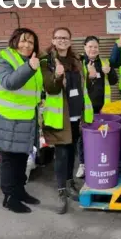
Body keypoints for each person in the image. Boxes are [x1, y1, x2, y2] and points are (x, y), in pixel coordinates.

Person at [0, 28, 43, 213]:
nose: (26, 45)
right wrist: (30, 67)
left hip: (25, 120)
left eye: (31, 42)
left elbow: (33, 90)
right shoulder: (4, 60)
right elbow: (9, 82)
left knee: (22, 158)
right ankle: (9, 197)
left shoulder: (32, 62)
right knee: (9, 160)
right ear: (15, 41)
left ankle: (20, 191)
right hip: (6, 121)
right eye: (23, 40)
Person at [40, 27, 94, 214]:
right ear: (53, 41)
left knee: (72, 152)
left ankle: (70, 184)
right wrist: (58, 75)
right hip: (59, 117)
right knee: (61, 154)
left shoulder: (77, 60)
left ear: (70, 41)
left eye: (65, 38)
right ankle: (61, 190)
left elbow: (82, 86)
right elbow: (50, 88)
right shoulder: (46, 61)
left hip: (75, 114)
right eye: (58, 38)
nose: (62, 40)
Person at [76, 35, 118, 178]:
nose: (93, 49)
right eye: (90, 47)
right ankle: (83, 164)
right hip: (85, 107)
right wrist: (90, 76)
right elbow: (76, 84)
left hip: (103, 108)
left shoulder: (105, 62)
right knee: (83, 135)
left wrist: (109, 71)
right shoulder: (79, 63)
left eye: (95, 47)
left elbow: (113, 81)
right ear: (84, 48)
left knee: (102, 134)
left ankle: (100, 159)